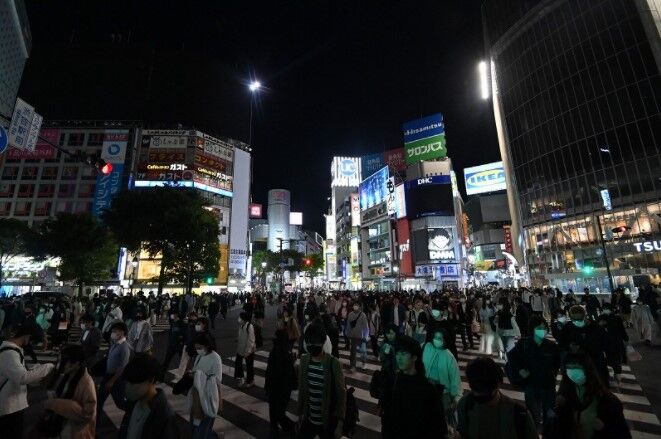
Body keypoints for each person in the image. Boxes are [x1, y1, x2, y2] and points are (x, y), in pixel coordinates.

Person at [544, 353, 630, 438]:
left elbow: (622, 434)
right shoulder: (563, 399)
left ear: (587, 369)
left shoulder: (608, 402)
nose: (573, 372)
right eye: (569, 368)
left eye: (577, 367)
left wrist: (605, 429)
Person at [381, 335, 447, 439]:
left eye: (404, 354)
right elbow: (388, 417)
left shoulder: (427, 388)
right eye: (397, 353)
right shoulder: (392, 382)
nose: (399, 358)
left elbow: (438, 425)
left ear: (414, 357)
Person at [457, 357, 537, 439]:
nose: (482, 404)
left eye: (485, 398)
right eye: (476, 390)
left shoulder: (520, 415)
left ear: (497, 385)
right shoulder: (464, 405)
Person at [0, 324, 55, 436]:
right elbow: (22, 377)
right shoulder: (9, 353)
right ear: (27, 336)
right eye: (32, 341)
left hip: (13, 403)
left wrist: (35, 368)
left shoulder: (15, 350)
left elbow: (17, 371)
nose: (31, 344)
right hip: (9, 406)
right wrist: (48, 367)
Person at [508, 315, 560, 429]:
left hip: (548, 387)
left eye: (544, 328)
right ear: (532, 329)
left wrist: (552, 374)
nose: (542, 330)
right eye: (539, 328)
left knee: (549, 417)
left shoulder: (551, 346)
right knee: (533, 418)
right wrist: (520, 370)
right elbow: (512, 357)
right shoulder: (524, 344)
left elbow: (557, 364)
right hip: (531, 386)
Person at [296, 323, 346, 439]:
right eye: (309, 342)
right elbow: (302, 389)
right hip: (308, 419)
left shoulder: (334, 363)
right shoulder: (304, 360)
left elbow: (341, 394)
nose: (312, 345)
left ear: (323, 342)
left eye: (315, 342)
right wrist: (300, 413)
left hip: (328, 422)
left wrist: (340, 424)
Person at [39, 345, 97, 439]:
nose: (61, 365)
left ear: (77, 363)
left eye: (65, 362)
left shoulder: (86, 383)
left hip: (72, 430)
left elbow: (88, 414)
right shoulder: (67, 375)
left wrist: (55, 404)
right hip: (59, 425)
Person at [119, 353, 181, 438]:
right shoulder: (133, 403)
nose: (128, 387)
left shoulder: (164, 416)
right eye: (128, 382)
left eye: (134, 383)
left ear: (151, 380)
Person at [559, 305, 610, 387]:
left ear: (584, 316)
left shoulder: (595, 327)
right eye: (575, 319)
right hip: (577, 364)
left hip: (595, 362)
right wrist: (569, 347)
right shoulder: (567, 328)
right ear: (571, 318)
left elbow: (606, 344)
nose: (578, 321)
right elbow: (562, 345)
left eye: (580, 319)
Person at [422, 327, 462, 431]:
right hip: (425, 390)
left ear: (445, 340)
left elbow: (455, 380)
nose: (437, 340)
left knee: (440, 422)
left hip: (443, 394)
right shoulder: (426, 347)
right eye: (435, 337)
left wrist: (456, 399)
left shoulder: (449, 357)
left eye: (440, 338)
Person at [189, 333, 223, 439]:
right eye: (196, 348)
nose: (197, 350)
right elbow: (196, 370)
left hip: (208, 397)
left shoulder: (215, 358)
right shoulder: (199, 356)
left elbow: (217, 380)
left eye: (199, 348)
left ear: (207, 346)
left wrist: (199, 375)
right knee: (196, 425)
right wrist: (192, 374)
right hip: (197, 396)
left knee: (202, 428)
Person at [265, 330, 297, 438]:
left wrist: (267, 386)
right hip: (280, 389)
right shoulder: (285, 353)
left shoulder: (279, 352)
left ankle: (289, 427)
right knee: (277, 413)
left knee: (276, 413)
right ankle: (282, 429)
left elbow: (270, 371)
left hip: (277, 388)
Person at [97, 322, 131, 421]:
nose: (113, 334)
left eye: (115, 331)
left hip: (117, 379)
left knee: (120, 403)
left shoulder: (125, 347)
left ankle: (133, 414)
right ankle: (94, 421)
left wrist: (112, 381)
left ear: (122, 332)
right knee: (99, 399)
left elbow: (123, 367)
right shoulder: (115, 343)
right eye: (112, 331)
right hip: (108, 376)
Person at [597, 303, 628, 383]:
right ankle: (616, 375)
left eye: (606, 308)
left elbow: (621, 329)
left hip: (613, 343)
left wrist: (625, 337)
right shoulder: (602, 318)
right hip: (610, 343)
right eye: (604, 308)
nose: (605, 310)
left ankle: (617, 375)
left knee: (614, 359)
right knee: (614, 360)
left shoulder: (615, 318)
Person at [345, 302, 369, 373]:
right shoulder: (350, 314)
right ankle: (353, 366)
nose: (355, 306)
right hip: (353, 336)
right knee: (353, 352)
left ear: (359, 307)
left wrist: (365, 336)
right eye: (354, 305)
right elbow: (348, 325)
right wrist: (347, 334)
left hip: (361, 336)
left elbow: (366, 327)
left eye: (357, 305)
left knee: (363, 351)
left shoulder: (363, 315)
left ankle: (364, 363)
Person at [235, 311, 256, 388]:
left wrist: (248, 351)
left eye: (240, 317)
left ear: (244, 319)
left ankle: (251, 381)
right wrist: (238, 338)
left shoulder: (249, 326)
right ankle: (240, 377)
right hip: (240, 349)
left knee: (249, 366)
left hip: (248, 350)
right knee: (238, 363)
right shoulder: (241, 325)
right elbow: (241, 335)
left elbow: (251, 340)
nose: (239, 319)